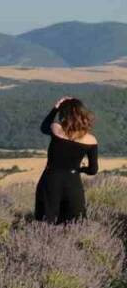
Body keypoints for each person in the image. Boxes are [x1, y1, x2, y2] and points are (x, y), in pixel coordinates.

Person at [36, 96, 99, 224]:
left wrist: (55, 108)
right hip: (73, 182)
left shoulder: (56, 129)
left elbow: (44, 127)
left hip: (50, 179)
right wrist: (79, 169)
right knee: (74, 223)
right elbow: (93, 170)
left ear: (63, 114)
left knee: (46, 222)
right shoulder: (91, 140)